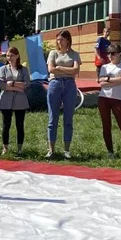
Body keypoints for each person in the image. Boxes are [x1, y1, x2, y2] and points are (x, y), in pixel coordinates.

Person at [46, 30, 81, 159]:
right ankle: (51, 149)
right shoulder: (53, 53)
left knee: (68, 118)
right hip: (55, 84)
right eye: (57, 39)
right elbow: (51, 69)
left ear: (67, 40)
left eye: (61, 39)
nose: (58, 41)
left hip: (70, 86)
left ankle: (67, 150)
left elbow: (76, 70)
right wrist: (67, 70)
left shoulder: (74, 54)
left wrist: (59, 68)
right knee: (52, 118)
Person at [0, 47, 30, 155]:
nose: (9, 58)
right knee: (6, 125)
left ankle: (19, 148)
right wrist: (17, 87)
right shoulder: (3, 69)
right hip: (6, 100)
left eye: (11, 55)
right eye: (7, 56)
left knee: (19, 125)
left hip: (20, 101)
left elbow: (26, 84)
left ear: (17, 56)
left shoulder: (24, 69)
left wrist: (12, 83)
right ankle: (5, 148)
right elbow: (1, 84)